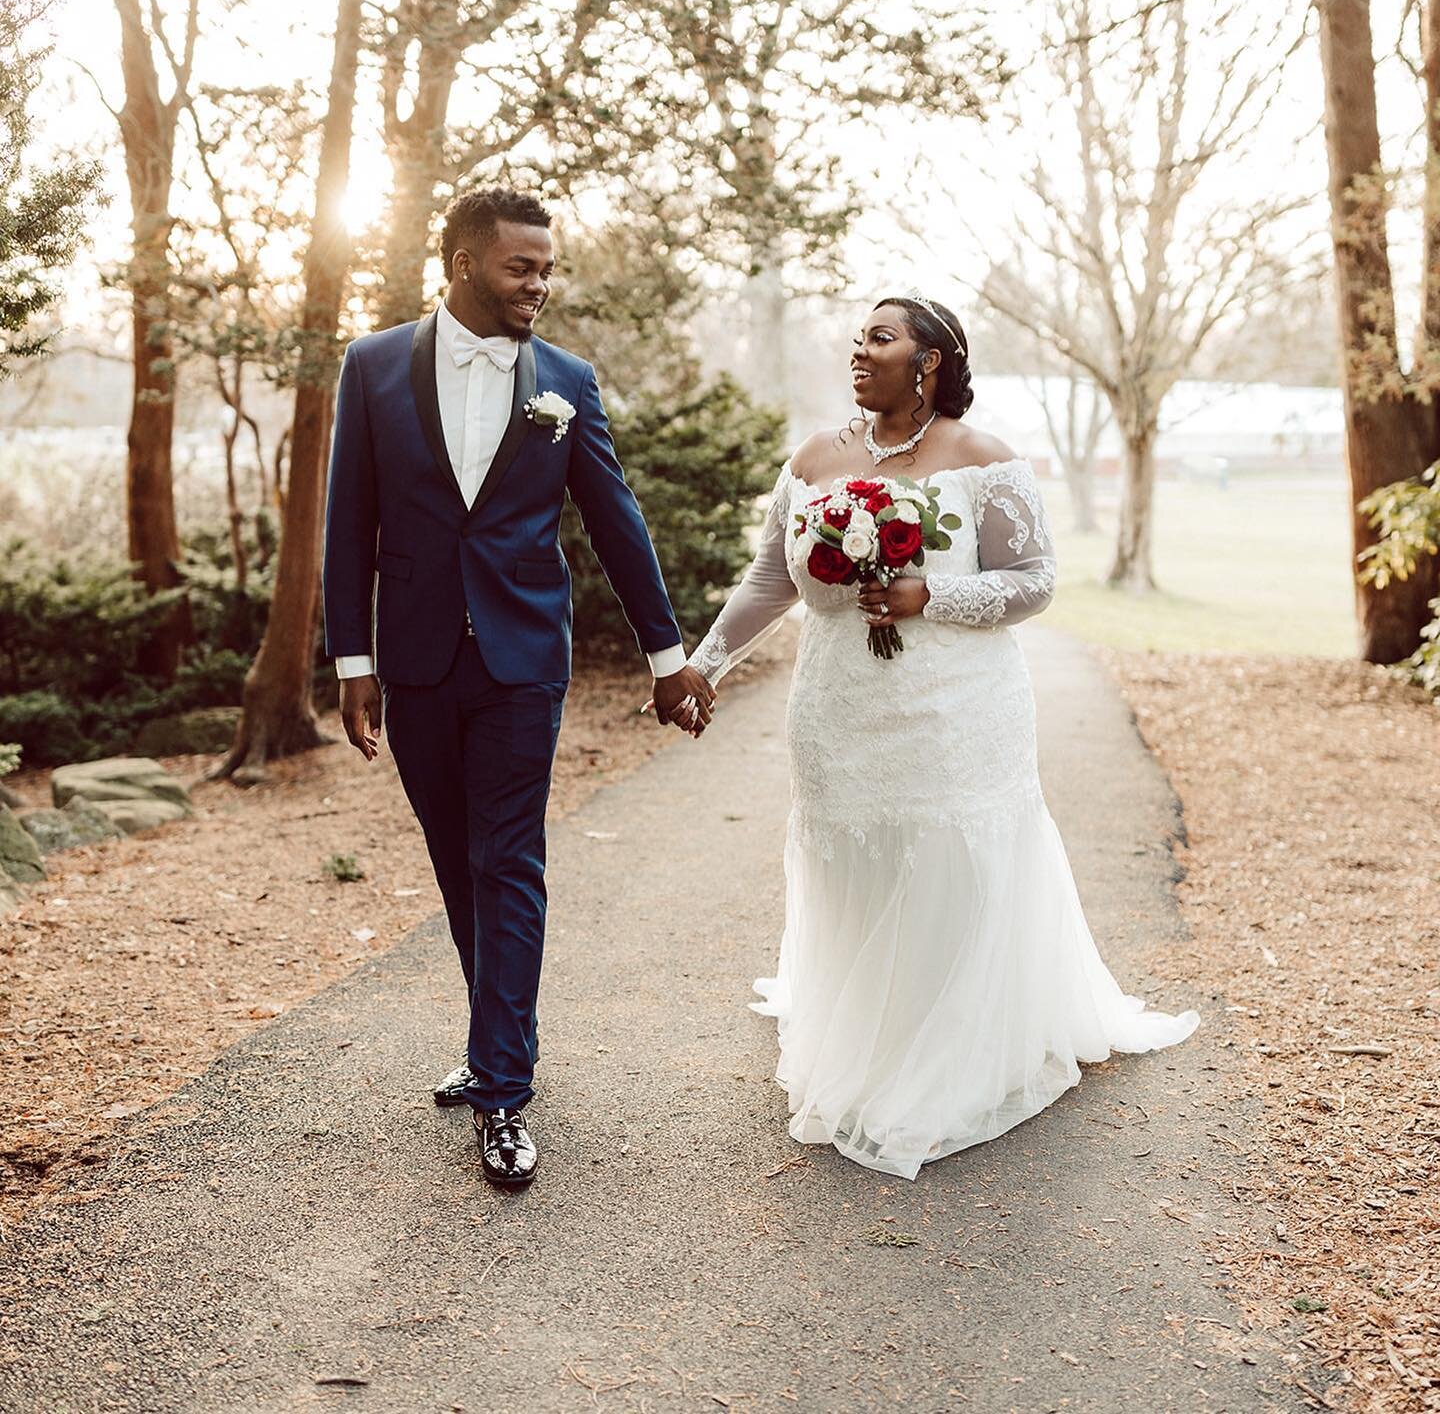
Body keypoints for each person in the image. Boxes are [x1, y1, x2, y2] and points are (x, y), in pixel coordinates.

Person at [686, 294, 1199, 1179]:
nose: (860, 349)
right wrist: (704, 666)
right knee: (857, 857)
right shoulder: (816, 458)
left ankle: (951, 1046)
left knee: (949, 856)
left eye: (880, 338)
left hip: (957, 709)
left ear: (928, 362)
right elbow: (771, 576)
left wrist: (933, 597)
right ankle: (866, 1030)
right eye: (858, 338)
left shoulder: (985, 460)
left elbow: (1035, 583)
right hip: (840, 707)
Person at [321, 187, 714, 1190]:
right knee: (458, 864)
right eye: (520, 268)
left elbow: (617, 521)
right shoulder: (370, 368)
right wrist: (352, 662)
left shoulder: (567, 382)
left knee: (509, 860)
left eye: (547, 268)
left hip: (522, 663)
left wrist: (669, 657)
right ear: (462, 264)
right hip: (413, 661)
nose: (540, 285)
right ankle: (494, 1039)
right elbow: (347, 520)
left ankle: (503, 1091)